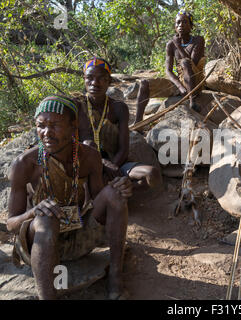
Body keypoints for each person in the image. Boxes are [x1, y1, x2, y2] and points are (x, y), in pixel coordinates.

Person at [7, 95, 132, 299]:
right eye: (41, 126)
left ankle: (115, 280)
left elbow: (99, 201)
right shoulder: (24, 164)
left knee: (115, 195)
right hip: (39, 242)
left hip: (78, 236)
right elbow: (11, 223)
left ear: (74, 126)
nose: (47, 133)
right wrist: (33, 212)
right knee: (47, 219)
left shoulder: (89, 157)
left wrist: (120, 188)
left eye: (55, 125)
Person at [77, 57, 161, 188]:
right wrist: (102, 165)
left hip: (115, 164)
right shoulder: (77, 106)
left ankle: (118, 187)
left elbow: (123, 149)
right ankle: (114, 189)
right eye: (90, 78)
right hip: (85, 165)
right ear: (84, 79)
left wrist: (112, 168)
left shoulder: (118, 108)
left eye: (101, 78)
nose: (95, 83)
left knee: (152, 174)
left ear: (109, 81)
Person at [133, 10, 206, 125]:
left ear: (191, 26)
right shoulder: (170, 44)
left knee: (185, 62)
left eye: (185, 22)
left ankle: (192, 100)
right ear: (175, 27)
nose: (181, 25)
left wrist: (178, 45)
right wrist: (179, 86)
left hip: (195, 82)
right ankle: (138, 123)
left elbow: (192, 64)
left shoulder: (198, 40)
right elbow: (168, 70)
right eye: (178, 23)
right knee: (144, 83)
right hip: (181, 83)